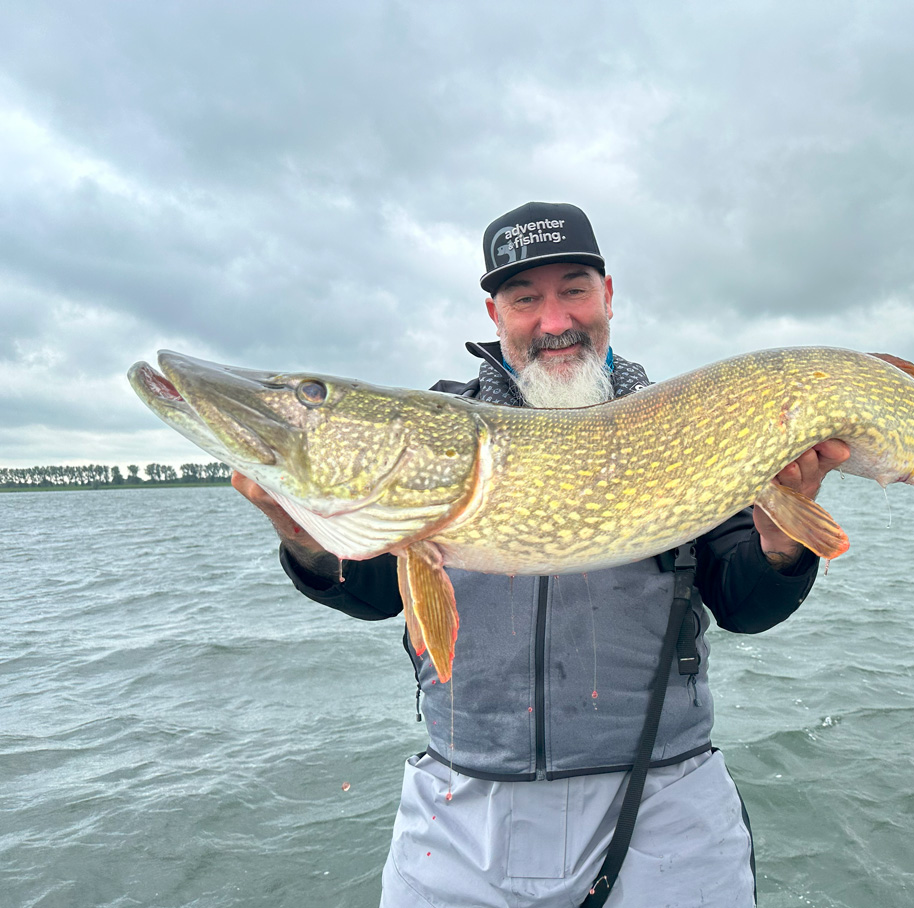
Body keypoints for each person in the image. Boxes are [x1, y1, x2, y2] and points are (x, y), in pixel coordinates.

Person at [233, 202, 850, 907]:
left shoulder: (690, 423)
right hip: (463, 809)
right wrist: (305, 536)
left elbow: (745, 603)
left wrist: (780, 539)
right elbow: (375, 591)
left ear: (608, 297)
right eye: (526, 299)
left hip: (665, 801)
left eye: (574, 291)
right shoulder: (437, 429)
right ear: (496, 314)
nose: (554, 321)